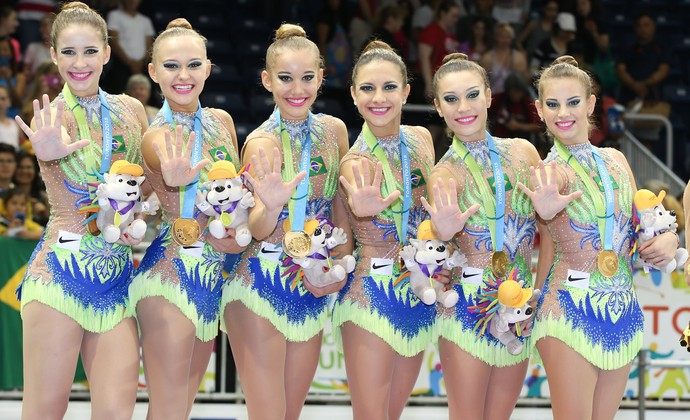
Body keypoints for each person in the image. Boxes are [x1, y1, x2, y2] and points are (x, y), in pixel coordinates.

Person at [518, 55, 680, 420]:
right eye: (553, 104)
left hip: (621, 310)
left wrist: (670, 238)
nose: (564, 113)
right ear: (540, 110)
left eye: (573, 102)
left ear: (590, 103)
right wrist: (543, 211)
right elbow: (544, 239)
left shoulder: (617, 160)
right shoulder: (545, 174)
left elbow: (645, 229)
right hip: (567, 310)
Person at [13, 2, 149, 418]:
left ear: (107, 52)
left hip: (115, 280)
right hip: (58, 275)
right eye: (68, 52)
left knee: (116, 411)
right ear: (53, 55)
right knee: (44, 410)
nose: (80, 63)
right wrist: (47, 157)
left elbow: (142, 193)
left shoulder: (132, 110)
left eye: (90, 51)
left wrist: (137, 219)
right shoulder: (49, 118)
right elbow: (55, 177)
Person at [220, 23, 351, 420]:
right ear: (266, 80)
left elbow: (341, 209)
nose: (298, 89)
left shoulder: (335, 130)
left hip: (310, 284)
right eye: (286, 78)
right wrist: (272, 208)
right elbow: (255, 230)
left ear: (322, 77)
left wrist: (340, 265)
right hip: (261, 282)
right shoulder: (261, 142)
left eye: (308, 78)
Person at [128, 18, 242, 419]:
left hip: (213, 277)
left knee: (181, 406)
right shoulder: (154, 133)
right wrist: (173, 176)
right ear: (153, 71)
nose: (183, 75)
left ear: (208, 68)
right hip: (171, 276)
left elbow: (238, 198)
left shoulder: (223, 122)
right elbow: (158, 154)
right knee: (168, 407)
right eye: (171, 66)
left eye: (193, 64)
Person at [425, 52, 540, 419]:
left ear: (490, 96)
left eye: (472, 95)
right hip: (467, 308)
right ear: (438, 108)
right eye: (451, 99)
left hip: (518, 301)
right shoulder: (443, 174)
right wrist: (442, 237)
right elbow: (434, 248)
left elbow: (552, 227)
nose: (464, 107)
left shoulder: (524, 152)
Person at [331, 39, 436, 420]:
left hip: (418, 290)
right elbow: (346, 233)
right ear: (354, 95)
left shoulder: (422, 139)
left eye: (389, 87)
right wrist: (361, 212)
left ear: (407, 91)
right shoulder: (354, 163)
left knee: (393, 412)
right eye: (368, 88)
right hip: (371, 293)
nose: (379, 98)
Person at [104, 0, 154, 94]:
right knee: (118, 95)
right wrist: (131, 63)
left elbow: (150, 45)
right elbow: (114, 42)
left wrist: (141, 63)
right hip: (121, 64)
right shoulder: (114, 15)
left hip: (142, 66)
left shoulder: (145, 20)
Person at [480, 21, 530, 95]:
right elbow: (481, 82)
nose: (505, 40)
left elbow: (527, 80)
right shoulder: (487, 58)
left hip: (513, 98)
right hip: (494, 98)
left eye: (508, 37)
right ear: (496, 37)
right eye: (502, 37)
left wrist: (517, 70)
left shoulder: (519, 57)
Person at [12, 150, 49, 225]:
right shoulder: (7, 192)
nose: (24, 171)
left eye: (28, 167)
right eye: (20, 167)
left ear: (35, 170)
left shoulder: (44, 197)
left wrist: (45, 214)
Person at [22, 13, 54, 79]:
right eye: (40, 26)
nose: (40, 29)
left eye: (44, 26)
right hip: (35, 86)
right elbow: (25, 74)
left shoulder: (62, 50)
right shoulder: (32, 47)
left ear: (54, 27)